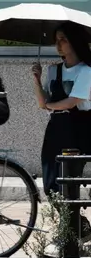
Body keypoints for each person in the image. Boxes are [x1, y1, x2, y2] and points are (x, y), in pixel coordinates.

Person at [32, 21, 91, 243]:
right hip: (56, 128)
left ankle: (70, 234)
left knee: (69, 182)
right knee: (50, 184)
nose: (58, 44)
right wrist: (37, 81)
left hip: (79, 128)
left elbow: (72, 102)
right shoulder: (53, 70)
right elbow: (42, 103)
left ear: (75, 41)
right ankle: (80, 226)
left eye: (63, 39)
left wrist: (49, 105)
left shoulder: (86, 70)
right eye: (56, 39)